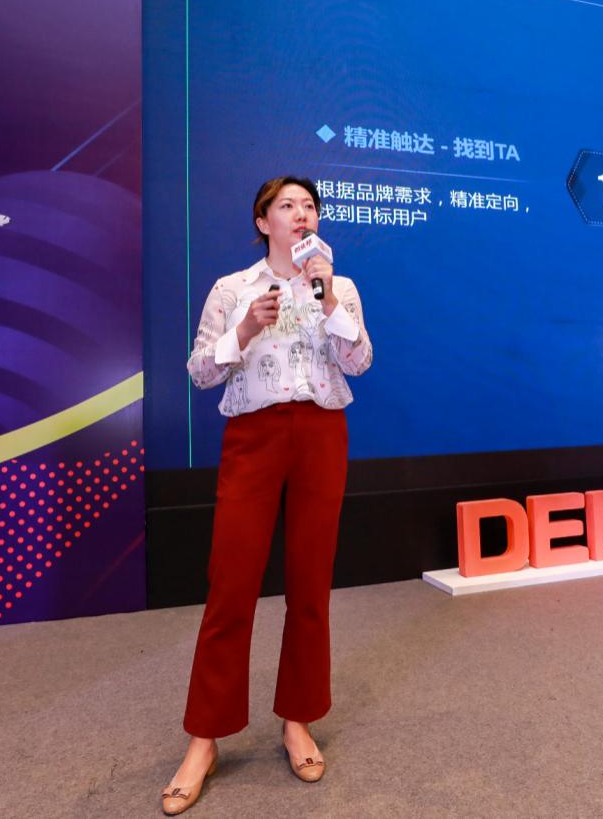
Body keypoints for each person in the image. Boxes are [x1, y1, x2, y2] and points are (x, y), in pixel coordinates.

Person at [159, 176, 373, 815]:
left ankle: (297, 721)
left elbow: (358, 362)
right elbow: (201, 372)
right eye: (287, 206)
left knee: (310, 585)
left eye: (309, 206)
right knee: (231, 585)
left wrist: (328, 298)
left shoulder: (339, 286)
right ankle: (205, 738)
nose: (301, 214)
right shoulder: (233, 289)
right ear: (263, 222)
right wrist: (245, 330)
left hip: (321, 435)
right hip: (253, 438)